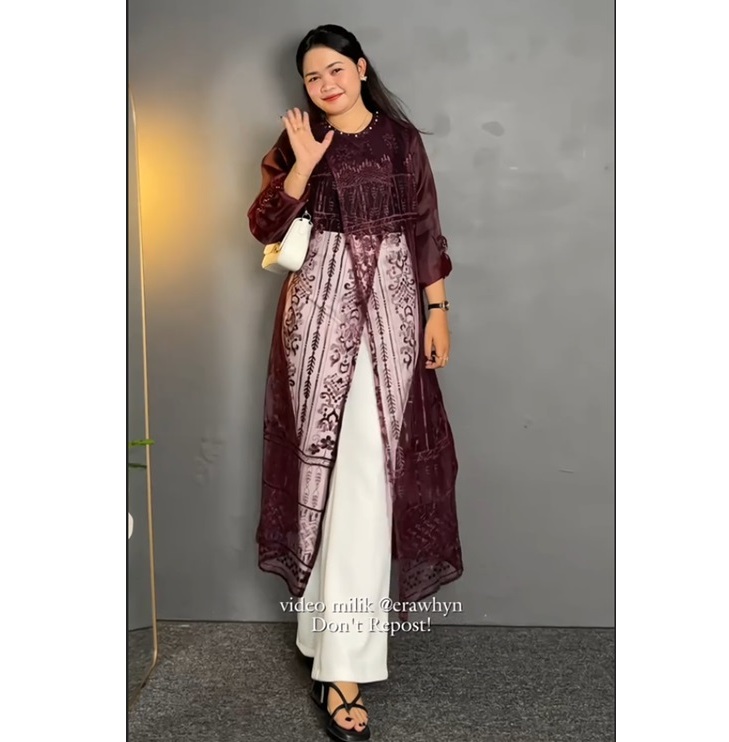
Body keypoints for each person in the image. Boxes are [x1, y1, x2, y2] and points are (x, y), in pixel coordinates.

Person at [247, 24, 463, 742]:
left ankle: (342, 661)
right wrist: (303, 167)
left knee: (370, 479)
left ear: (362, 69)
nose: (326, 85)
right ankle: (326, 644)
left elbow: (425, 229)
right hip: (318, 318)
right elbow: (263, 226)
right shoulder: (299, 141)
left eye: (336, 70)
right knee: (326, 474)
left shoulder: (401, 142)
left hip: (394, 316)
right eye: (313, 78)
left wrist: (438, 312)